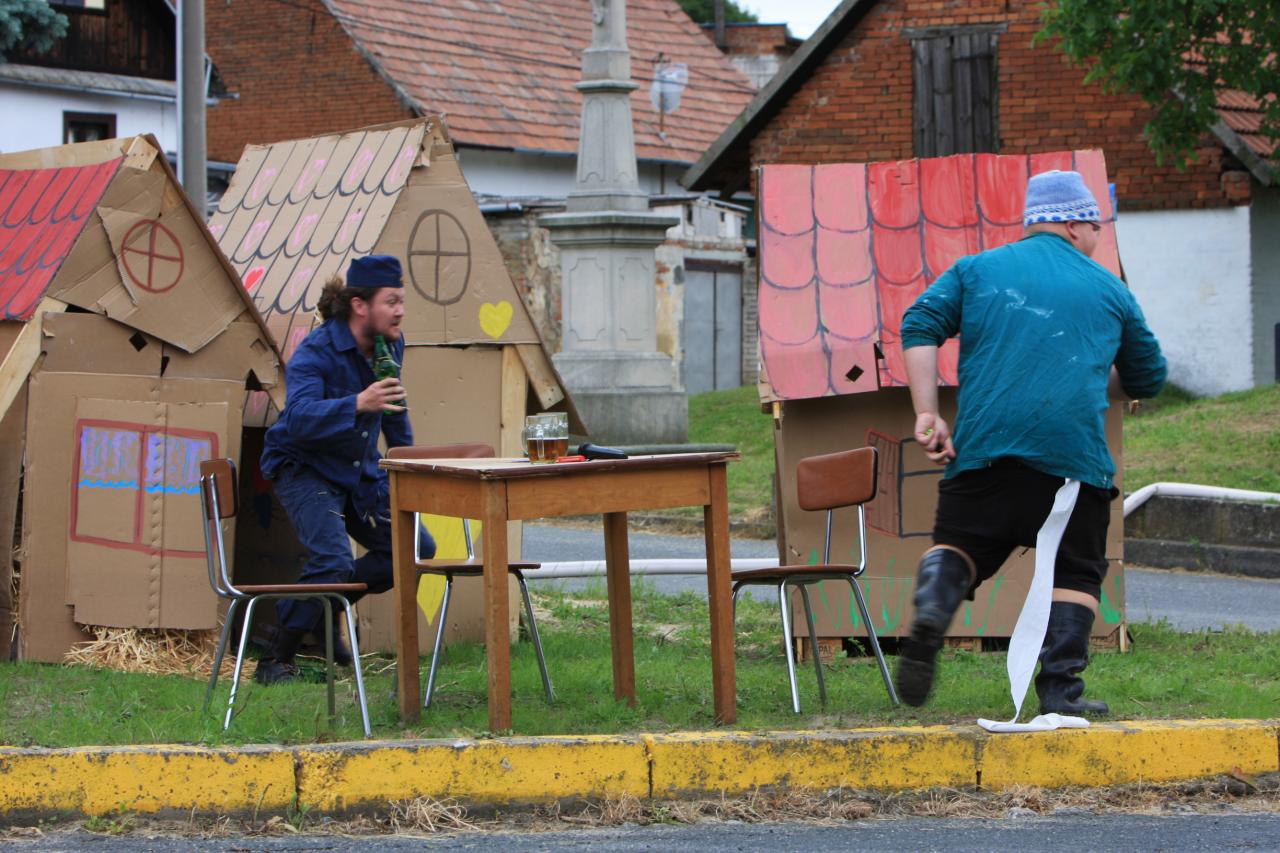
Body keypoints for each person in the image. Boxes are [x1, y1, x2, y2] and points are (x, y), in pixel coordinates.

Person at [894, 170, 1166, 714]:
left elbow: (919, 323)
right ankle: (1061, 693)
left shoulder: (976, 270)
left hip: (983, 450)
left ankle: (934, 608)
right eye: (1096, 226)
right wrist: (1090, 375)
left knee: (960, 547)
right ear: (1073, 224)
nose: (1098, 237)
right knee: (1076, 568)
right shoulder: (1111, 289)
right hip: (1071, 462)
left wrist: (927, 412)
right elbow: (1148, 376)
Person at [255, 255, 436, 684]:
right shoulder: (315, 353)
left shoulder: (391, 345)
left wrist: (408, 470)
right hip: (304, 467)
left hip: (358, 470)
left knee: (415, 548)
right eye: (391, 302)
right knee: (334, 561)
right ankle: (275, 659)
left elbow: (393, 410)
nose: (400, 311)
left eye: (401, 301)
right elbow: (298, 419)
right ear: (359, 305)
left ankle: (324, 608)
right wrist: (356, 403)